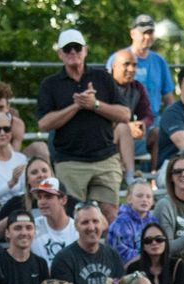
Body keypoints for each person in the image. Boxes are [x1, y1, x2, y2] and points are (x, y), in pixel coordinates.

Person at [37, 30, 129, 222]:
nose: (73, 52)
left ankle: (108, 253)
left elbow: (125, 114)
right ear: (60, 54)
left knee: (110, 214)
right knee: (73, 217)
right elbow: (44, 124)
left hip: (105, 158)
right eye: (67, 49)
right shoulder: (50, 84)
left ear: (85, 50)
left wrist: (95, 105)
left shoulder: (103, 77)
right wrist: (75, 107)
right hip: (70, 161)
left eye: (77, 47)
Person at [106, 49, 154, 186]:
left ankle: (154, 176)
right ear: (114, 66)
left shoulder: (137, 87)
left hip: (129, 137)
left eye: (134, 65)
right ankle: (129, 178)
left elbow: (147, 114)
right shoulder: (104, 84)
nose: (131, 69)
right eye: (126, 64)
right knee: (123, 128)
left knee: (157, 132)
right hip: (104, 134)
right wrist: (128, 127)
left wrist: (141, 124)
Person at [114, 14, 175, 120]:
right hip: (122, 119)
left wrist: (172, 120)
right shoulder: (118, 58)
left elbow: (168, 97)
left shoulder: (160, 61)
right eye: (143, 33)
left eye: (150, 32)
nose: (147, 37)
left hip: (153, 119)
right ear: (132, 33)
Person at [29, 176, 78, 266]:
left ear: (63, 200)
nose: (42, 202)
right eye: (39, 197)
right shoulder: (31, 228)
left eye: (48, 197)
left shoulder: (77, 229)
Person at [108, 181, 158, 265]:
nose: (144, 199)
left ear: (152, 201)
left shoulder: (153, 220)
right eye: (139, 196)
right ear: (129, 199)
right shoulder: (121, 222)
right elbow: (121, 253)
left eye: (148, 197)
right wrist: (149, 255)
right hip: (127, 269)